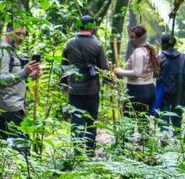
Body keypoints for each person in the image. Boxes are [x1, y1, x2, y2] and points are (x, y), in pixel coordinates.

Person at [60, 15, 109, 154]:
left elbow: (63, 65)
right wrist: (110, 82)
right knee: (91, 120)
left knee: (76, 120)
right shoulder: (97, 44)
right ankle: (89, 150)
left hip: (74, 89)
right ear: (92, 27)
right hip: (92, 89)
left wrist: (64, 84)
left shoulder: (69, 43)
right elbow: (103, 68)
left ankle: (77, 151)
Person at [0, 24, 41, 151]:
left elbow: (13, 77)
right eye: (18, 33)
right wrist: (25, 72)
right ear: (8, 31)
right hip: (10, 108)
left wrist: (30, 75)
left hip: (10, 106)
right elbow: (0, 79)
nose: (21, 37)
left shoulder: (10, 51)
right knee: (22, 148)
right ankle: (24, 170)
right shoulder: (2, 51)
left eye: (24, 34)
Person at [154, 33, 185, 128]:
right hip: (179, 92)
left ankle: (164, 141)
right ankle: (177, 139)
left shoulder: (160, 57)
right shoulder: (183, 57)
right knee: (177, 118)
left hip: (164, 92)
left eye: (161, 43)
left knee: (163, 117)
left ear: (164, 44)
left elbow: (154, 74)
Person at [113, 25, 159, 115]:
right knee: (144, 123)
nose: (130, 40)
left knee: (129, 120)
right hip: (149, 89)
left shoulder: (138, 52)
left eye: (132, 37)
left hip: (137, 91)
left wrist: (119, 71)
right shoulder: (149, 50)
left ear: (138, 38)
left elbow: (136, 73)